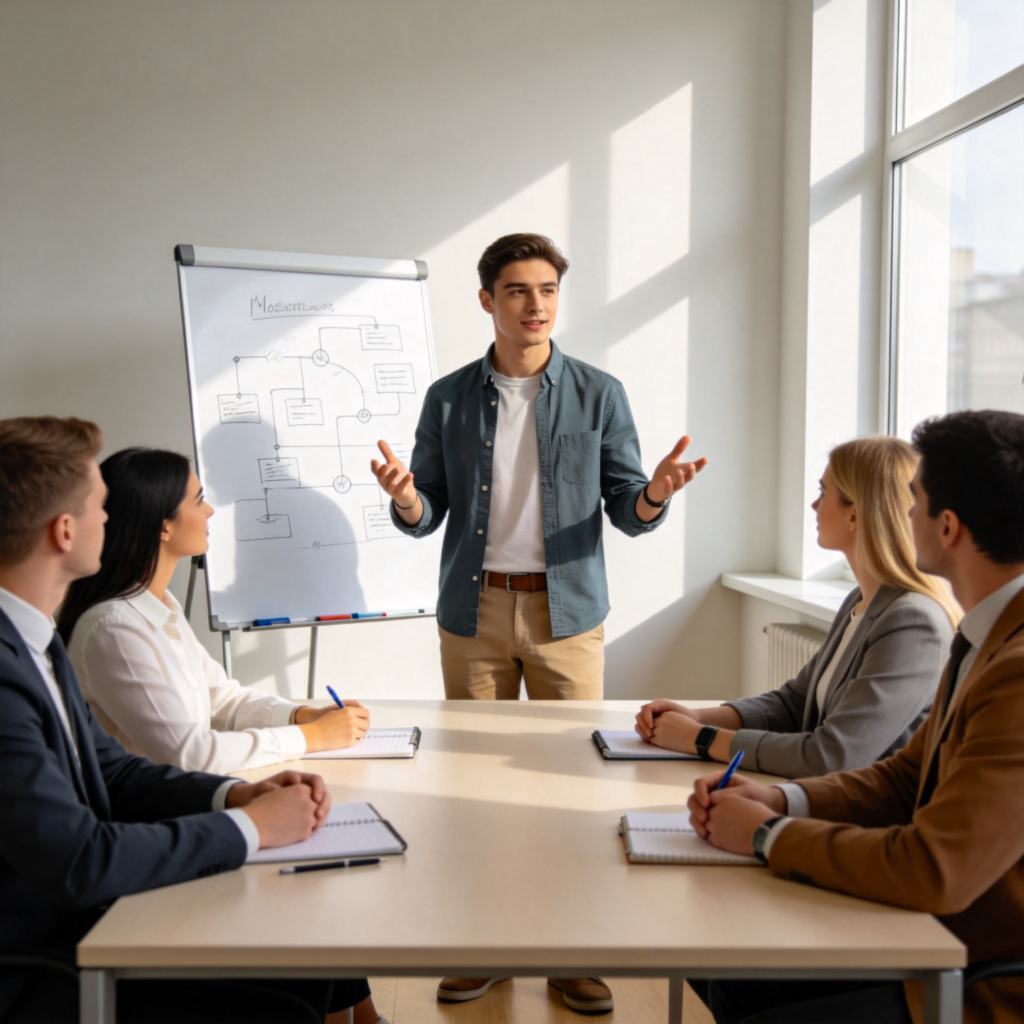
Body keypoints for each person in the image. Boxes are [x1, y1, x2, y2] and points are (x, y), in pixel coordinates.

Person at [370, 232, 706, 1013]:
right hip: (474, 609)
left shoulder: (599, 392)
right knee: (474, 793)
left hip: (569, 614)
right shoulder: (449, 397)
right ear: (487, 301)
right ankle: (481, 949)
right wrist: (404, 495)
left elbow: (629, 512)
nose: (536, 304)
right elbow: (426, 514)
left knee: (573, 793)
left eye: (548, 288)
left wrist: (653, 490)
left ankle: (571, 957)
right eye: (518, 290)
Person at [0, 416, 383, 1024]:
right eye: (99, 506)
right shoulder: (30, 657)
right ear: (63, 531)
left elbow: (117, 772)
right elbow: (80, 859)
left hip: (92, 910)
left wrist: (237, 795)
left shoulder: (35, 640)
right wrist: (254, 826)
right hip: (47, 958)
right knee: (290, 992)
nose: (109, 517)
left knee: (308, 956)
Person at [687, 409, 1024, 1024]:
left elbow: (934, 870)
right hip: (940, 931)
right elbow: (902, 777)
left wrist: (766, 835)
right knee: (723, 971)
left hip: (978, 967)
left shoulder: (1012, 665)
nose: (904, 512)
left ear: (946, 527)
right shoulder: (985, 634)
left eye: (914, 501)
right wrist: (780, 800)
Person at [635, 436, 958, 776]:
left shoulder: (913, 622)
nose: (814, 506)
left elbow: (831, 756)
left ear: (856, 514)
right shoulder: (862, 600)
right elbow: (795, 703)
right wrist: (697, 717)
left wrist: (701, 739)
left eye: (823, 493)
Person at [58, 447, 370, 773]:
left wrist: (302, 716)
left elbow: (224, 702)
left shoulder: (162, 607)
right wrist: (311, 737)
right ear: (163, 526)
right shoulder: (113, 628)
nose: (209, 511)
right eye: (197, 500)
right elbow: (188, 754)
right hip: (148, 816)